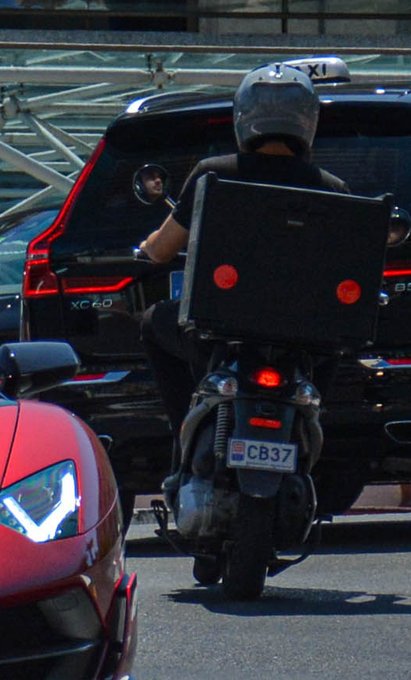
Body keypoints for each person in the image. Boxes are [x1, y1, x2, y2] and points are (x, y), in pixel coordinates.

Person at [133, 58, 353, 437]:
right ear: (308, 119)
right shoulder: (332, 187)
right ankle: (313, 414)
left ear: (244, 117)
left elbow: (162, 250)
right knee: (335, 346)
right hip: (305, 331)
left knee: (154, 322)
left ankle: (185, 428)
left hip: (220, 326)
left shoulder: (212, 173)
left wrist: (147, 247)